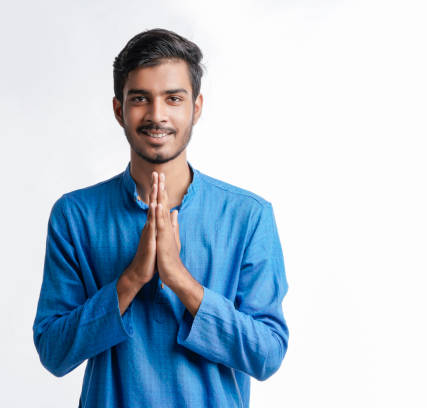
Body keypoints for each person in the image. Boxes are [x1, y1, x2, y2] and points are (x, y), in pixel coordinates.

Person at [33, 28, 289, 408]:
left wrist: (180, 280)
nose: (157, 115)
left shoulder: (247, 216)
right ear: (119, 109)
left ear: (195, 107)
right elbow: (54, 352)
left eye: (173, 98)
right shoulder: (76, 216)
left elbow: (267, 355)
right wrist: (131, 279)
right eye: (140, 99)